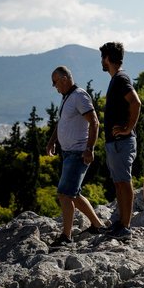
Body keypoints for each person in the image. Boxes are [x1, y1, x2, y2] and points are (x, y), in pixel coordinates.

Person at [45, 66, 107, 246]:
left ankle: (66, 236)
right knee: (73, 194)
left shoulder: (79, 96)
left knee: (64, 193)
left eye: (55, 82)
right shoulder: (68, 98)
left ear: (64, 79)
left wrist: (90, 148)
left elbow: (94, 122)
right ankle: (97, 225)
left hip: (78, 153)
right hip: (69, 153)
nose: (54, 86)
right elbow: (62, 123)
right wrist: (52, 142)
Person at [100, 42, 142, 239]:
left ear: (108, 58)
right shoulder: (117, 79)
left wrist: (127, 129)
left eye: (103, 57)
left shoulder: (120, 78)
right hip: (115, 142)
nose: (101, 61)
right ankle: (121, 223)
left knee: (124, 182)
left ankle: (126, 226)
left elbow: (136, 102)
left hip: (121, 142)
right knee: (119, 183)